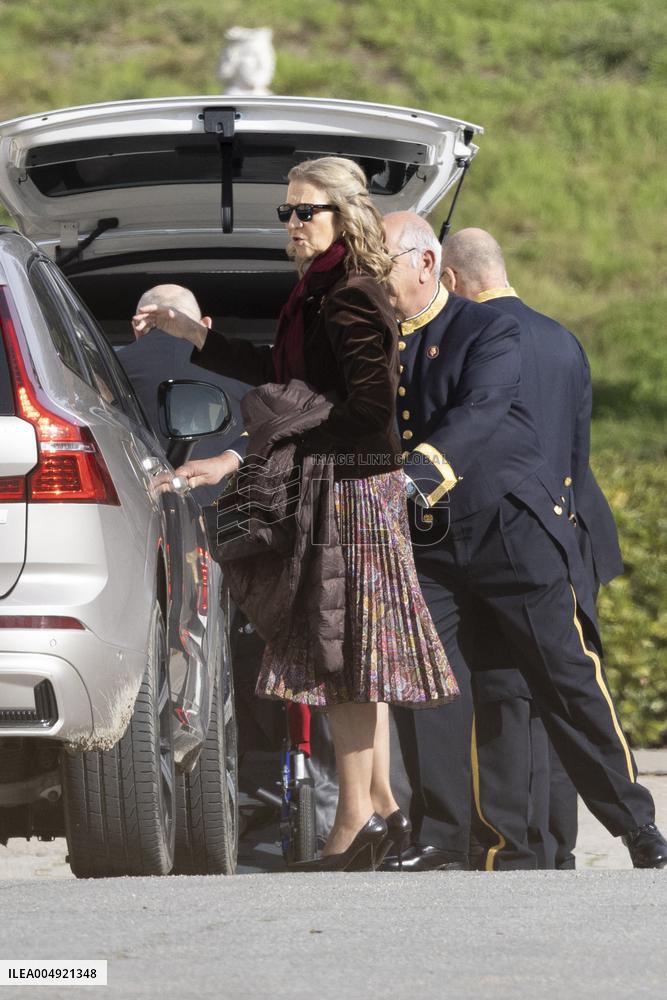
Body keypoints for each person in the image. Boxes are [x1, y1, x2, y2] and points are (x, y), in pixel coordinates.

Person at [133, 157, 458, 871]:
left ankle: (353, 824)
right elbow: (290, 377)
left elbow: (370, 414)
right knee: (350, 657)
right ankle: (380, 812)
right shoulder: (320, 291)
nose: (293, 223)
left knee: (339, 659)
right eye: (287, 211)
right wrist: (199, 338)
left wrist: (277, 440)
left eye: (305, 211)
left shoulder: (345, 294)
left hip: (350, 490)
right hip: (343, 487)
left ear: (343, 216)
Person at [380, 210, 667, 872]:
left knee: (565, 680)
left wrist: (412, 475)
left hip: (512, 530)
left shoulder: (490, 325)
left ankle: (635, 827)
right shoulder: (385, 337)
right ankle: (439, 835)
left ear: (429, 264)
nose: (372, 280)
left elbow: (480, 411)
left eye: (381, 264)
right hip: (433, 541)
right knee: (428, 683)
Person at [440, 227, 625, 870]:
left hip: (503, 531)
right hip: (570, 530)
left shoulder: (472, 339)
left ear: (450, 280)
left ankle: (510, 843)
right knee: (560, 692)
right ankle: (557, 841)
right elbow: (576, 447)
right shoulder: (562, 338)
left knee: (504, 692)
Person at [121, 284, 248, 506]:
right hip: (228, 517)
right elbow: (277, 426)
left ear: (137, 328)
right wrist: (226, 461)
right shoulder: (241, 366)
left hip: (137, 510)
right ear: (206, 324)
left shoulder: (108, 370)